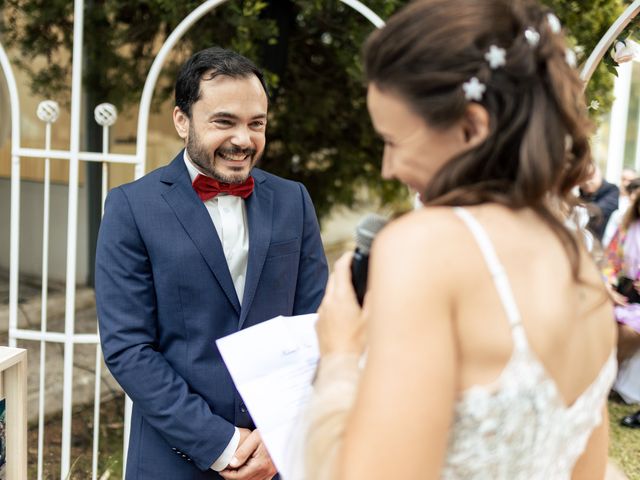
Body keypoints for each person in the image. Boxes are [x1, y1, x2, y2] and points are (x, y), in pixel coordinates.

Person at [303, 1, 617, 479]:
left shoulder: (424, 248)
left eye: (392, 140)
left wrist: (341, 356)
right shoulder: (580, 264)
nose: (388, 168)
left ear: (472, 127)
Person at [95, 47, 328, 480]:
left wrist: (278, 439)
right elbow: (128, 348)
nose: (244, 139)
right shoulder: (131, 207)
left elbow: (317, 328)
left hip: (278, 457)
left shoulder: (293, 200)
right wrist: (223, 445)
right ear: (182, 120)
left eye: (255, 124)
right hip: (172, 459)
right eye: (224, 122)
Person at [604, 178, 640, 428]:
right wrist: (608, 286)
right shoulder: (627, 227)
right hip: (623, 292)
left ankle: (607, 383)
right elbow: (610, 262)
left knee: (625, 333)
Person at [580, 165, 619, 242]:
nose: (587, 182)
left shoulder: (611, 190)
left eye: (590, 177)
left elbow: (599, 209)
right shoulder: (582, 193)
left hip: (600, 242)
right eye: (583, 178)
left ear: (599, 176)